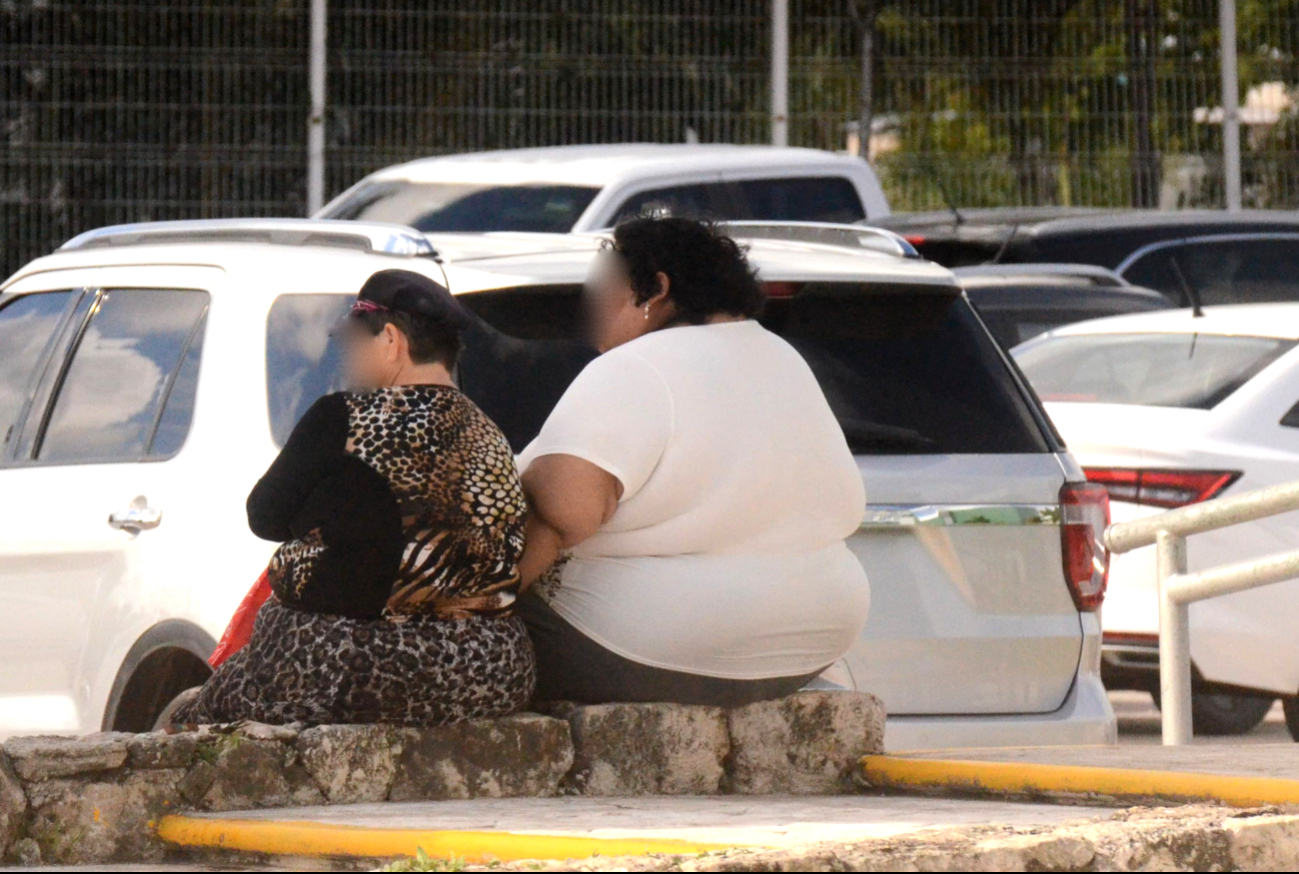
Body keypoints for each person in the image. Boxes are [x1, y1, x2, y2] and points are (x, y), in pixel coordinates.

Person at [516, 217, 870, 708]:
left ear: (656, 289)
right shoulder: (782, 356)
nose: (592, 303)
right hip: (808, 649)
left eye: (606, 284)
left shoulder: (634, 367)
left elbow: (559, 512)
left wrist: (476, 606)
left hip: (649, 652)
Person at [173, 269, 535, 727]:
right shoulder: (491, 432)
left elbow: (264, 515)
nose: (346, 358)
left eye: (352, 341)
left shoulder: (344, 416)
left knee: (190, 712)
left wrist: (320, 512)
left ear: (391, 339)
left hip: (354, 665)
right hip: (488, 672)